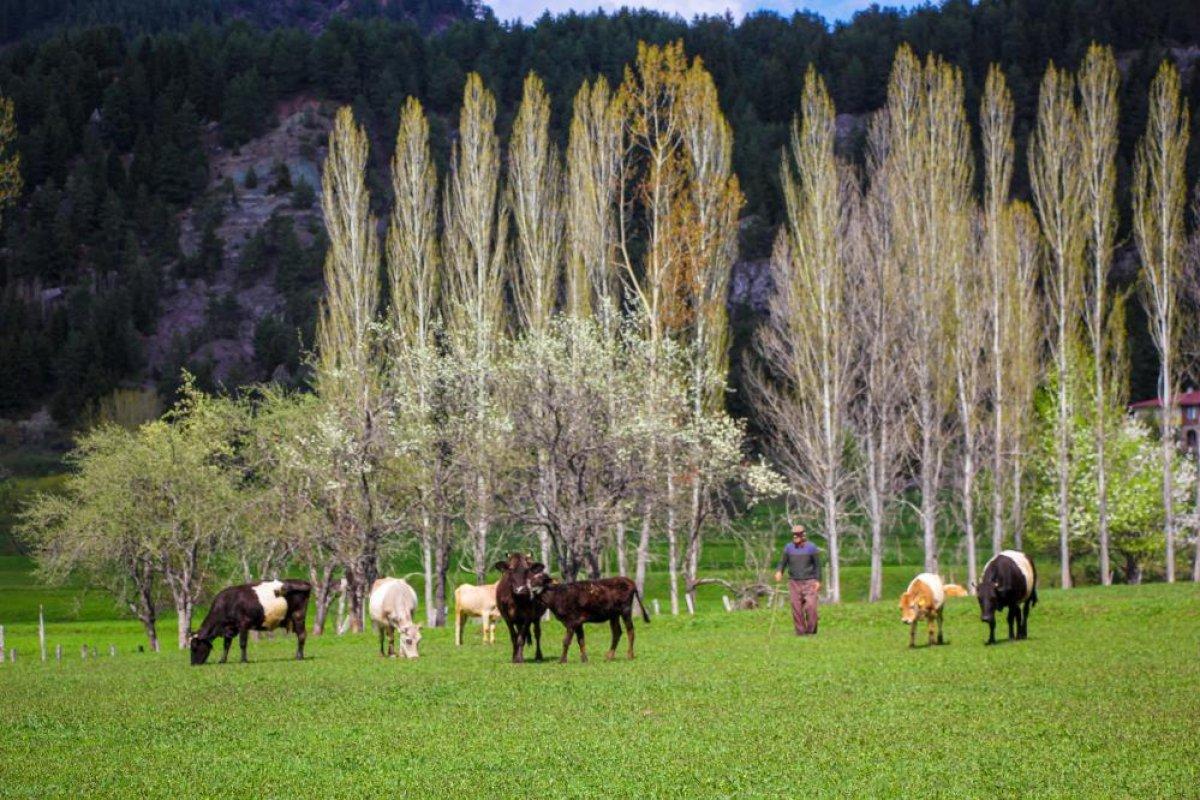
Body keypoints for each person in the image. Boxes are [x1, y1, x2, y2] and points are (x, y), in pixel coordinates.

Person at [774, 524, 821, 636]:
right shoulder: (788, 548)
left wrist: (818, 580)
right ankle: (800, 632)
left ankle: (811, 631)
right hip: (794, 582)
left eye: (798, 534)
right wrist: (779, 571)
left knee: (811, 606)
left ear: (803, 535)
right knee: (797, 608)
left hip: (810, 581)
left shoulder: (812, 547)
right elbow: (782, 562)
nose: (795, 536)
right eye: (794, 534)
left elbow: (817, 565)